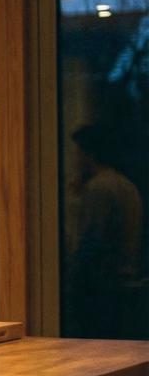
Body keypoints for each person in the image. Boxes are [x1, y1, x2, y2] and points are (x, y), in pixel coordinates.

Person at [64, 123, 144, 340]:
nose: (74, 159)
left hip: (101, 288)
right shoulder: (126, 185)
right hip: (121, 285)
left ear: (89, 154)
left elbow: (92, 239)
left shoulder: (99, 188)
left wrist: (75, 278)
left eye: (78, 152)